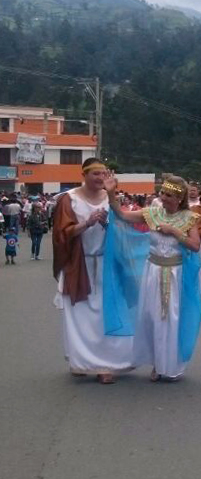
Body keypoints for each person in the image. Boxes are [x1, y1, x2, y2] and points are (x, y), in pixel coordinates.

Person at [103, 174, 201, 382]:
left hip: (175, 275)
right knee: (151, 317)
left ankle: (170, 364)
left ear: (179, 198)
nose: (163, 197)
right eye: (162, 193)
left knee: (170, 319)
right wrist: (111, 194)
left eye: (168, 195)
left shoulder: (189, 218)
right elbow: (122, 215)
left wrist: (175, 232)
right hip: (153, 272)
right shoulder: (152, 213)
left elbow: (195, 246)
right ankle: (157, 363)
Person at [52, 158, 134, 384]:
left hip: (106, 264)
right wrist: (87, 223)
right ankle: (81, 361)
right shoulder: (69, 199)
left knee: (103, 315)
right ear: (84, 175)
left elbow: (124, 227)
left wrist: (107, 223)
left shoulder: (111, 199)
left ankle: (104, 365)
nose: (100, 178)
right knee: (80, 317)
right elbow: (61, 235)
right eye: (95, 174)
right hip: (79, 264)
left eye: (104, 174)